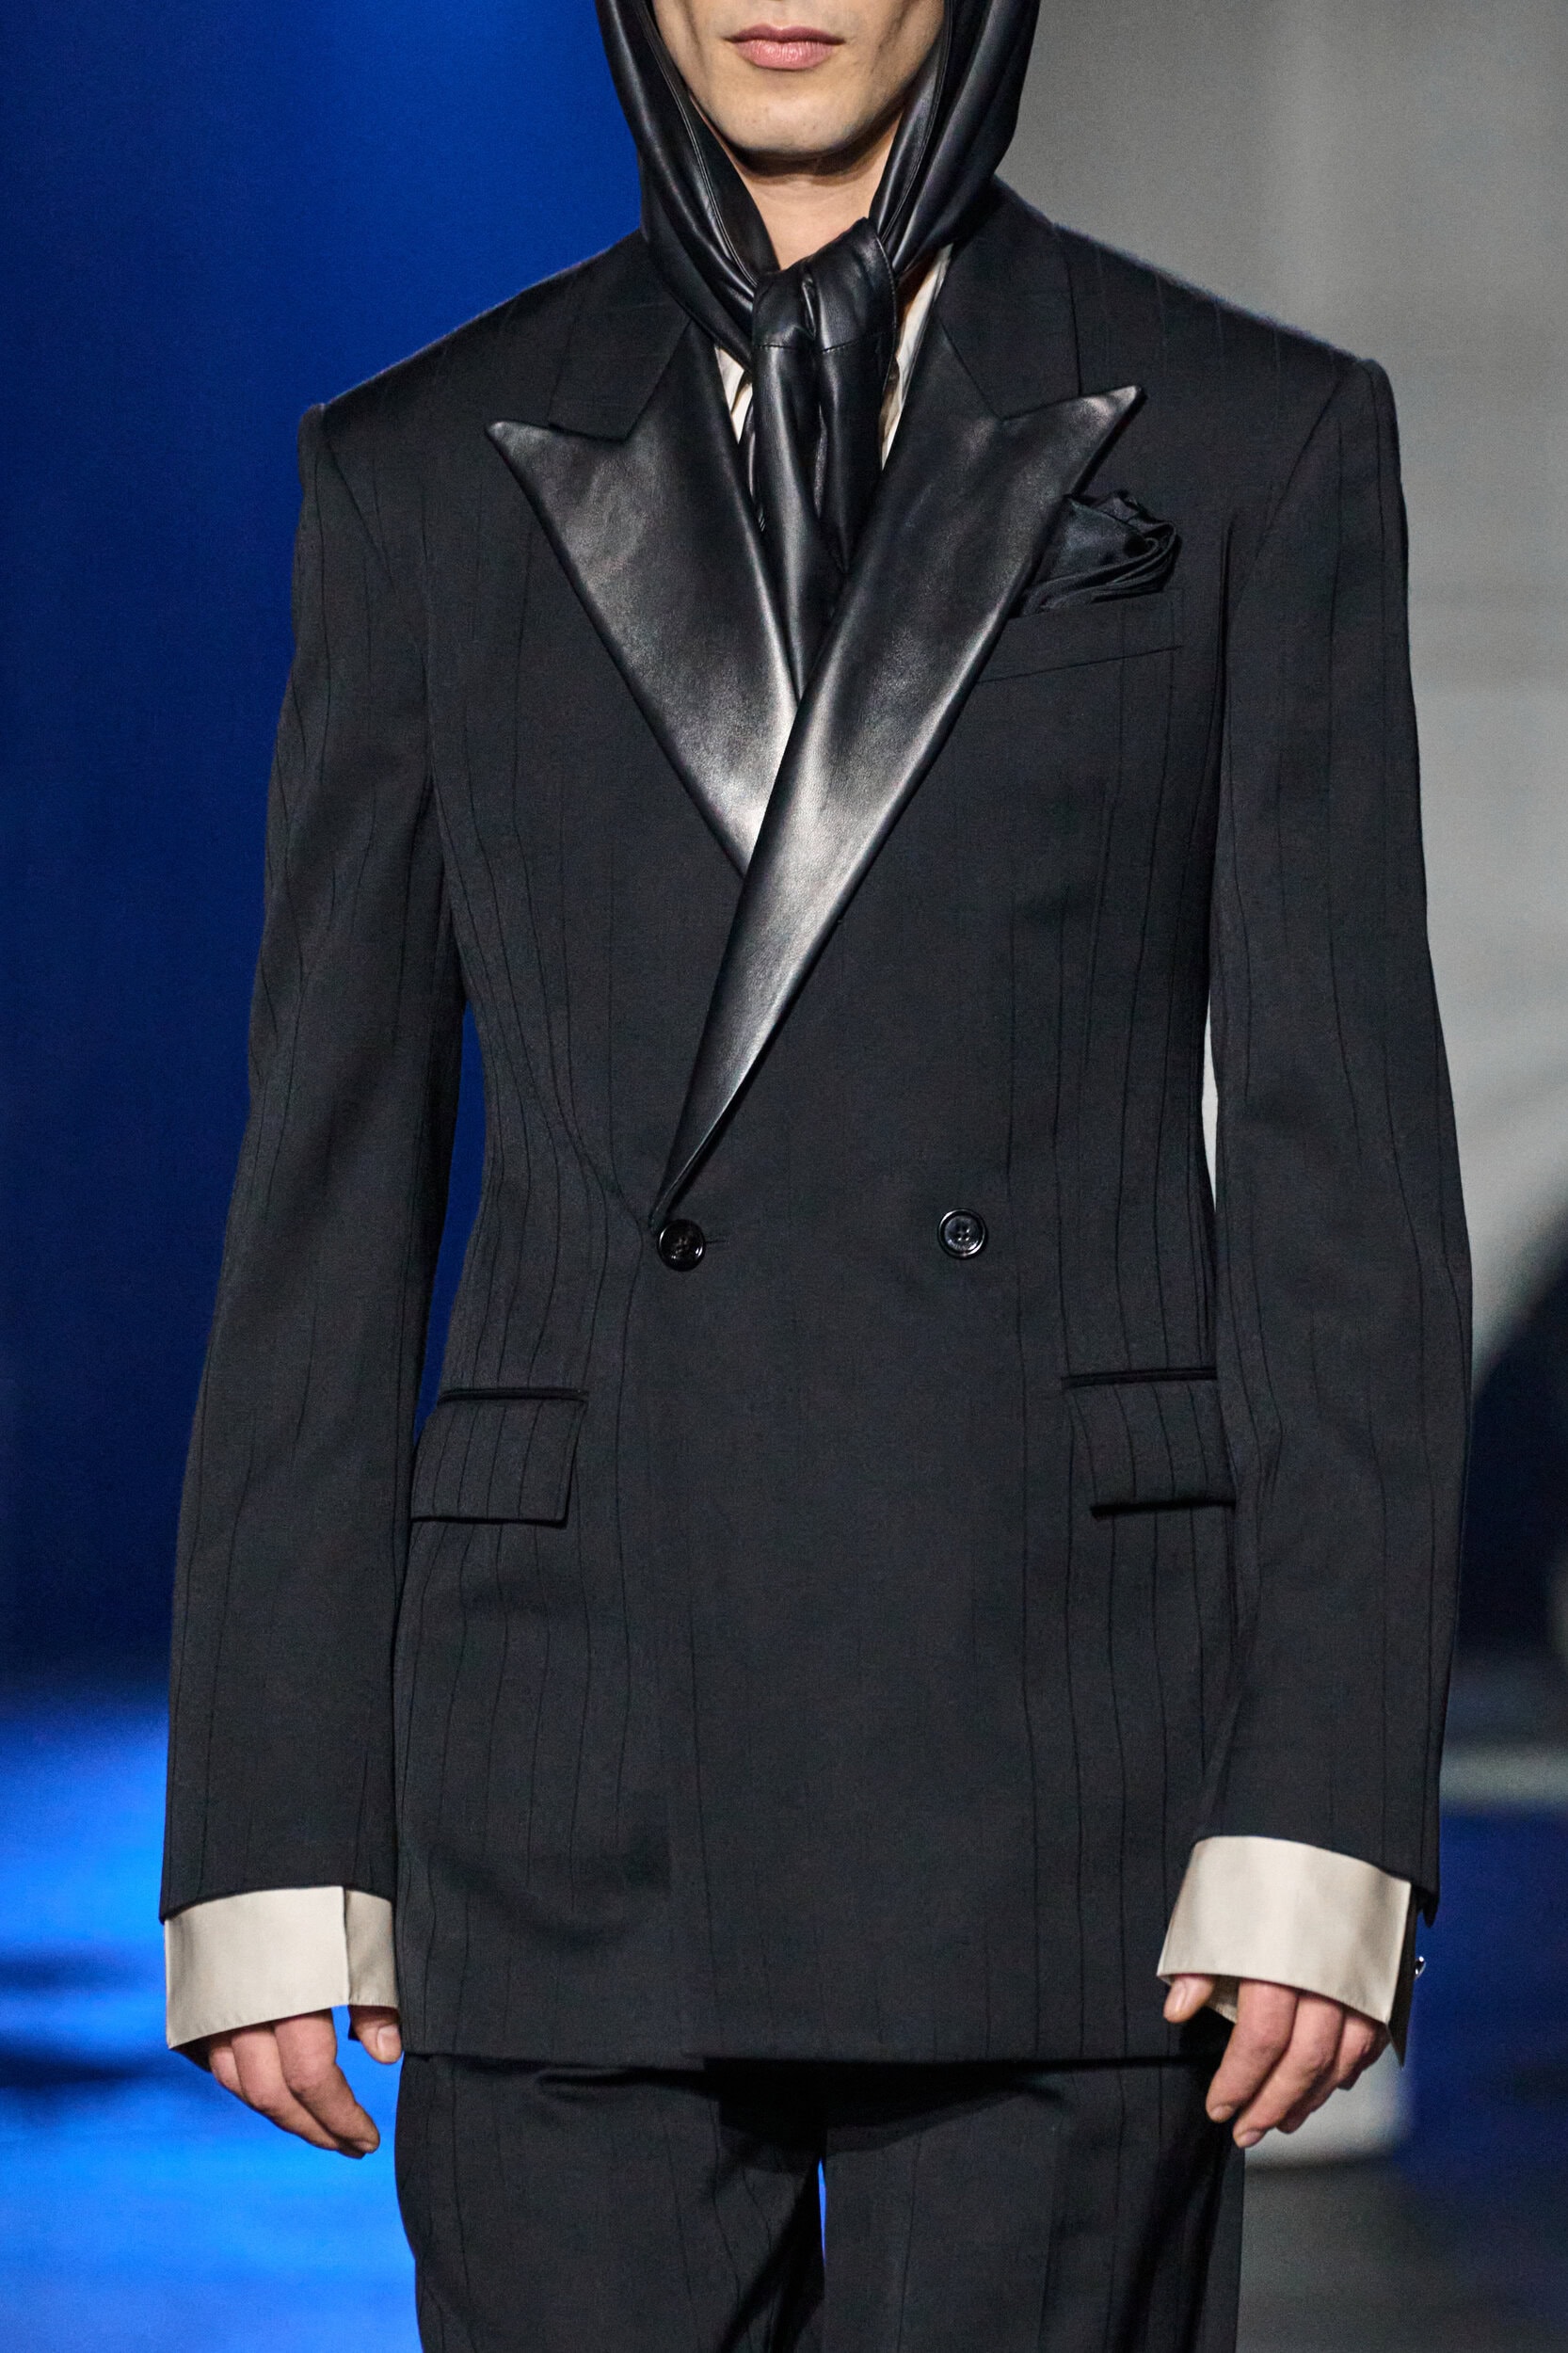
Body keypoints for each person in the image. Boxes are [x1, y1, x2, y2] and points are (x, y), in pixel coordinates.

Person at [160, 2, 1471, 2345]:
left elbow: (1339, 1179)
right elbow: (326, 1182)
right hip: (568, 1747)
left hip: (1067, 1749)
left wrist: (1324, 1792)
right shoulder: (420, 470)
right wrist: (267, 1818)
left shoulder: (1250, 438)